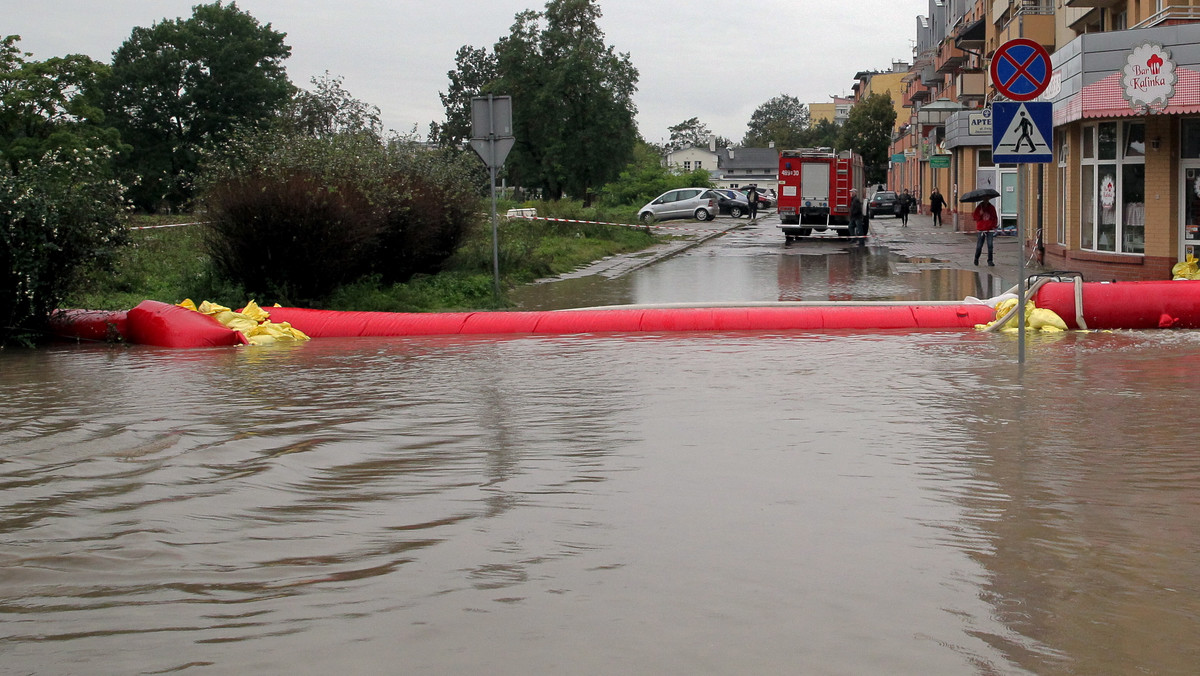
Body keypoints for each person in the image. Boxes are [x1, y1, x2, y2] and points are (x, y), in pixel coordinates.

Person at [973, 197, 999, 266]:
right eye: (985, 199)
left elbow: (995, 217)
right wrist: (980, 214)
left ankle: (990, 260)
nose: (986, 201)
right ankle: (976, 258)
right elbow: (975, 217)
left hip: (989, 229)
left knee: (990, 245)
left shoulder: (991, 208)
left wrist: (993, 225)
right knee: (979, 245)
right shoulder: (979, 208)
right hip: (981, 229)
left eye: (987, 199)